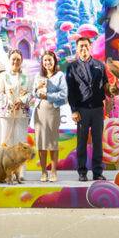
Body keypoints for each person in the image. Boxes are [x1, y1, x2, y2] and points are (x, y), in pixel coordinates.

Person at [65, 37, 108, 181]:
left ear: (91, 47)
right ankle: (82, 172)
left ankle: (97, 172)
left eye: (86, 46)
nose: (84, 49)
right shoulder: (72, 67)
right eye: (81, 46)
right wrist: (74, 110)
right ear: (77, 49)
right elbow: (70, 91)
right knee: (82, 142)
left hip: (97, 108)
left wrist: (112, 90)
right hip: (81, 109)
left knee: (98, 142)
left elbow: (105, 85)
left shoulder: (100, 65)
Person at [0, 49, 33, 180]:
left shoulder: (26, 77)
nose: (15, 61)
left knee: (21, 142)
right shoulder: (3, 76)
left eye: (18, 59)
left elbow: (30, 93)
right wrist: (9, 102)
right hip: (7, 112)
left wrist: (21, 100)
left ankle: (20, 172)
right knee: (6, 142)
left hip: (21, 113)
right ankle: (4, 172)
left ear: (21, 61)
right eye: (13, 59)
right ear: (9, 60)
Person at [32, 50, 67, 182]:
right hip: (39, 111)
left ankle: (53, 171)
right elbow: (33, 93)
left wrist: (48, 95)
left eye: (50, 60)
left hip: (53, 111)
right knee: (41, 142)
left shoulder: (60, 75)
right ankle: (43, 172)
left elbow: (64, 94)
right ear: (42, 62)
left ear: (54, 61)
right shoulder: (38, 76)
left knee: (52, 142)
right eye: (45, 60)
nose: (47, 62)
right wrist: (37, 89)